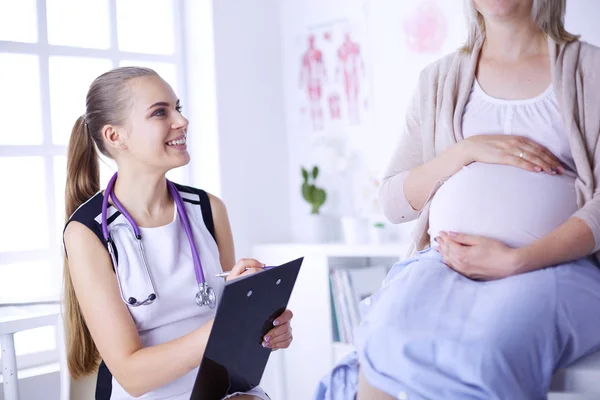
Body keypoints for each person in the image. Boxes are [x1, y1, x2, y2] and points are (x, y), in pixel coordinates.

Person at [316, 0, 600, 399]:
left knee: (489, 351)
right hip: (446, 265)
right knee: (384, 333)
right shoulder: (438, 80)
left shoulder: (590, 71)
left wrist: (517, 260)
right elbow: (393, 201)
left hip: (555, 267)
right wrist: (463, 151)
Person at [62, 67, 293, 400]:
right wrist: (222, 329)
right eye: (160, 112)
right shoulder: (88, 232)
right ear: (115, 137)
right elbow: (132, 376)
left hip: (223, 391)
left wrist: (260, 324)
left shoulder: (208, 209)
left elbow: (231, 344)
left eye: (178, 108)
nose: (182, 121)